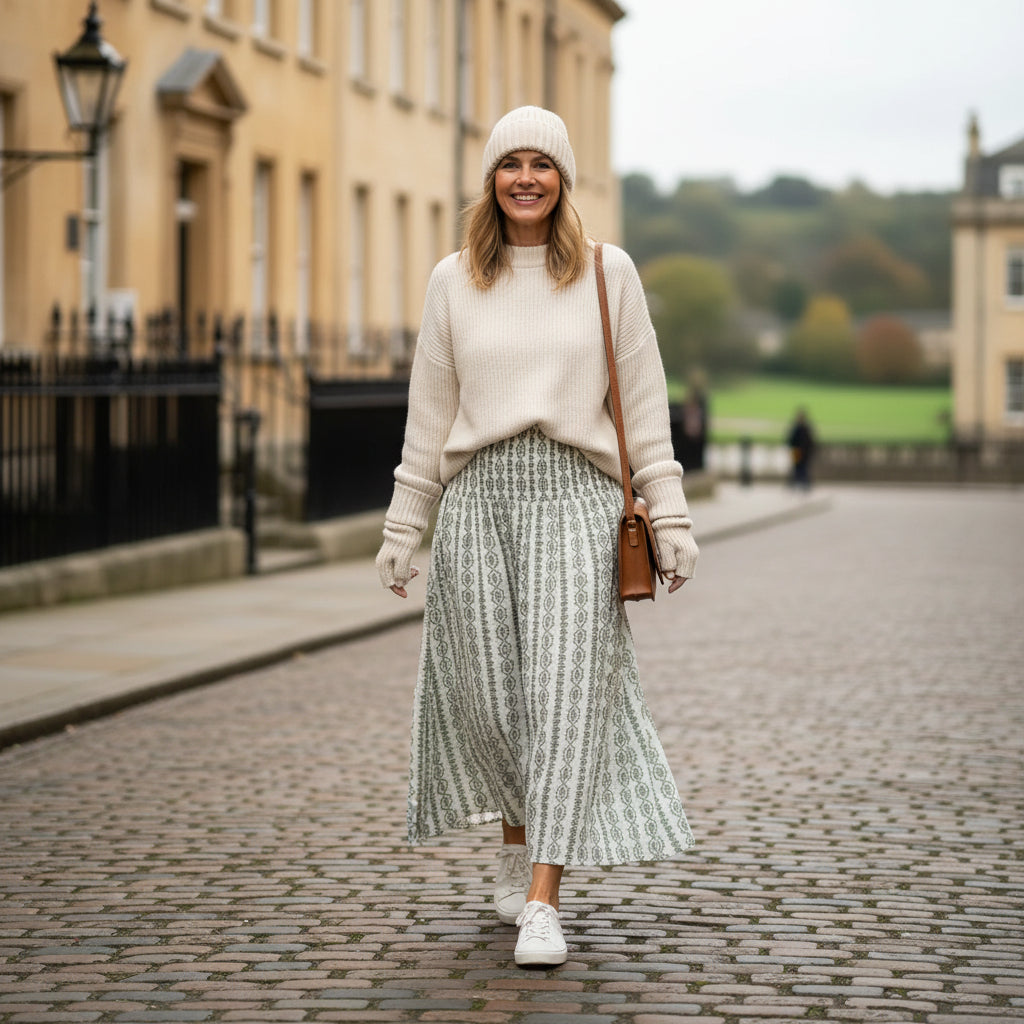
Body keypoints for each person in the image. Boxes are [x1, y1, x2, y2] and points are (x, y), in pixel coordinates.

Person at [375, 106, 698, 969]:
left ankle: (545, 900)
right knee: (489, 696)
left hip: (574, 503)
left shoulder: (605, 272)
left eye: (542, 164)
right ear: (491, 179)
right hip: (479, 502)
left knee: (559, 695)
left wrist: (668, 516)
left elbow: (642, 402)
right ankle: (516, 844)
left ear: (563, 179)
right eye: (510, 163)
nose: (526, 178)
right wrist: (407, 525)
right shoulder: (453, 279)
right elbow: (429, 412)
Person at [787, 407, 816, 489]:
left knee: (802, 468)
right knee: (798, 468)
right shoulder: (801, 427)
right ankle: (798, 484)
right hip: (798, 451)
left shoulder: (802, 427)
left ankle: (802, 484)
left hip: (802, 452)